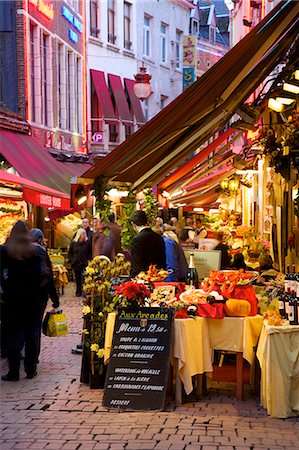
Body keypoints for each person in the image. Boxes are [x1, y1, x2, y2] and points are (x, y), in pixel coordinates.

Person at [1, 221, 43, 381]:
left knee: (12, 333)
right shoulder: (34, 251)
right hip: (31, 300)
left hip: (11, 299)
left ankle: (13, 371)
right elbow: (40, 275)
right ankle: (30, 369)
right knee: (31, 334)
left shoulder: (5, 251)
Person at [30, 228, 60, 359]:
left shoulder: (21, 251)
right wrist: (55, 299)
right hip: (39, 297)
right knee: (35, 326)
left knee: (24, 326)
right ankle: (33, 358)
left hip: (22, 296)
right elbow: (48, 278)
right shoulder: (42, 252)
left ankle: (21, 355)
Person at [129, 210, 166, 278]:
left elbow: (136, 266)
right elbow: (162, 261)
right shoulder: (158, 237)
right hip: (157, 277)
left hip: (143, 279)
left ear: (133, 224)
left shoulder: (137, 240)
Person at [68, 228, 90, 297]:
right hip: (76, 263)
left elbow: (89, 253)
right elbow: (70, 253)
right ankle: (78, 291)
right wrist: (72, 260)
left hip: (84, 263)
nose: (83, 235)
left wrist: (88, 261)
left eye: (84, 234)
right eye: (82, 234)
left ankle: (83, 291)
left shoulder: (87, 243)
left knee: (83, 278)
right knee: (77, 278)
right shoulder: (74, 243)